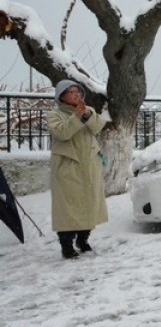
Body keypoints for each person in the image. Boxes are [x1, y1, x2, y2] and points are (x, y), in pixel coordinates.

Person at [47, 80, 108, 259]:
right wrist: (76, 117)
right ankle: (66, 245)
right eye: (71, 92)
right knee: (68, 208)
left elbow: (98, 127)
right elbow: (62, 133)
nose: (76, 95)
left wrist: (86, 114)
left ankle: (83, 240)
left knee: (89, 204)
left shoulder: (87, 110)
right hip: (68, 167)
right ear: (62, 96)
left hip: (89, 166)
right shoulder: (54, 115)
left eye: (77, 92)